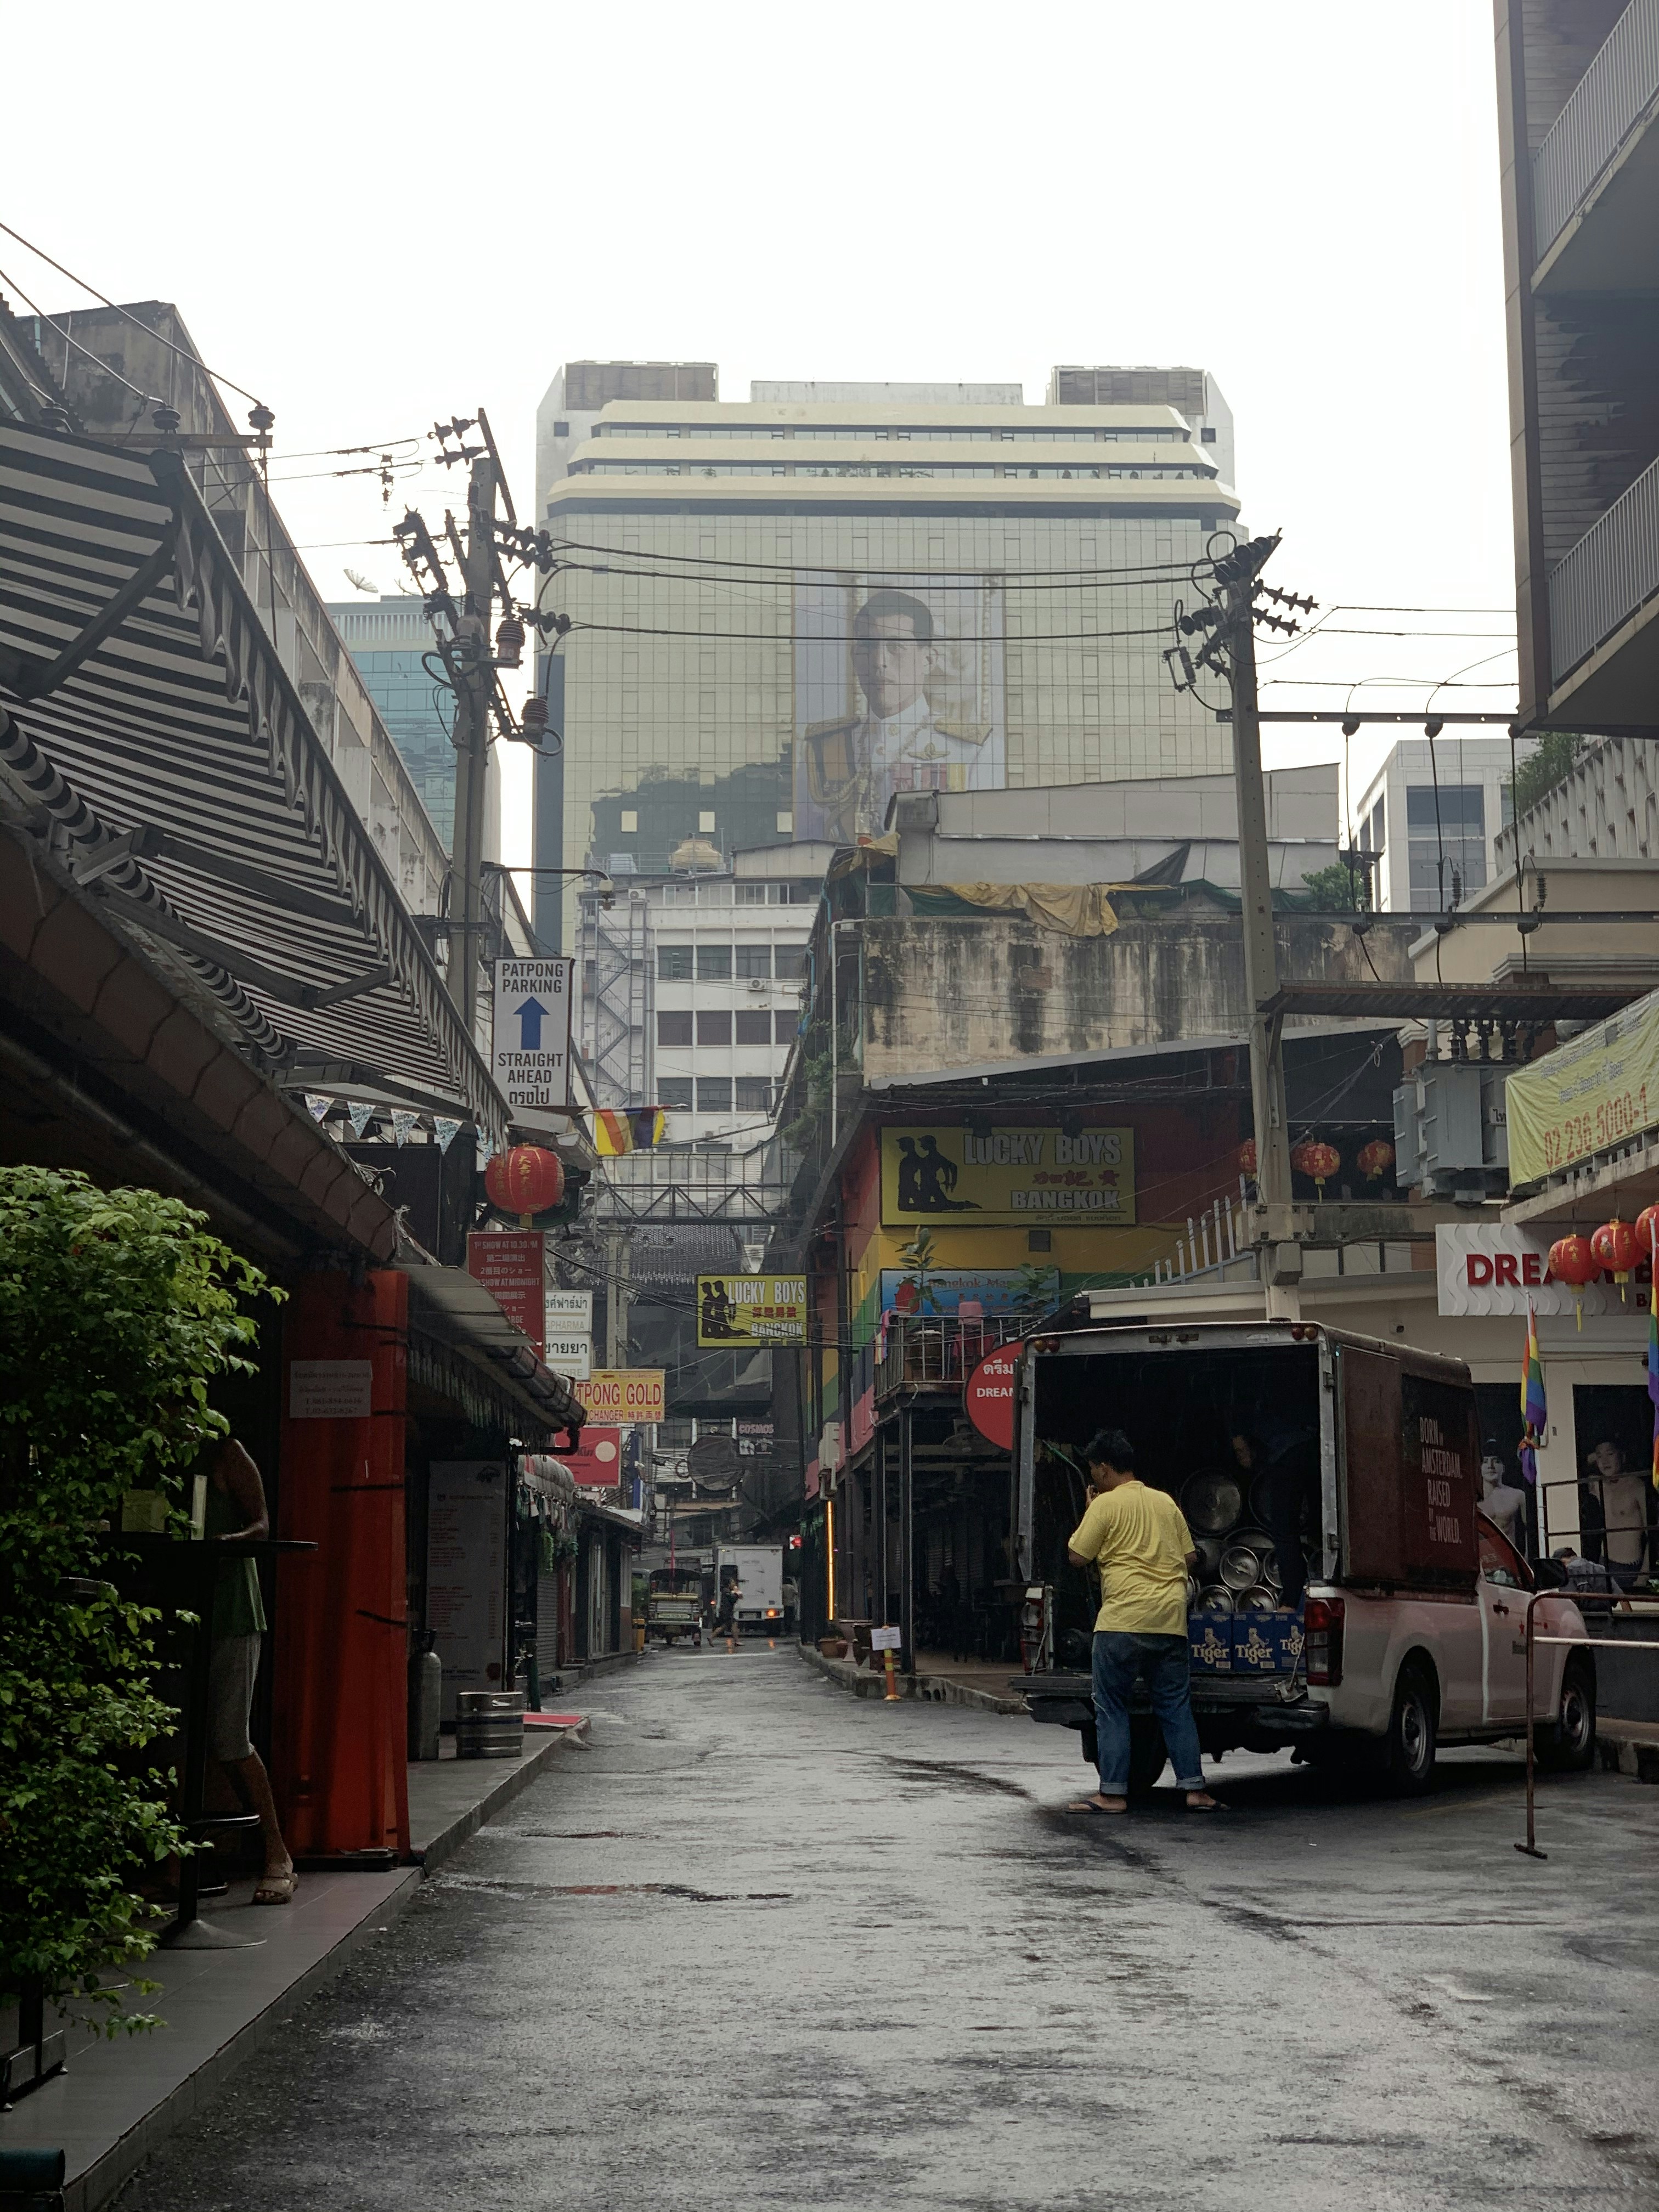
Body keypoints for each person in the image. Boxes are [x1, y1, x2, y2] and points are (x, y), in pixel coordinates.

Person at [1064, 1428, 1219, 1815]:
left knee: (1113, 1707)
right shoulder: (1166, 1503)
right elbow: (1189, 1558)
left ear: (1103, 1469)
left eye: (1092, 1470)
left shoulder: (1104, 1505)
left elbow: (1077, 1556)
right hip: (1169, 1622)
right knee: (1175, 1707)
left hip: (1121, 1622)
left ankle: (1113, 1795)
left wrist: (1090, 1511)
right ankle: (1195, 1790)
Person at [800, 589, 1002, 842]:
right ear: (855, 658)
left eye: (896, 647)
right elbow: (807, 849)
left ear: (928, 660)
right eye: (867, 648)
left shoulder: (973, 750)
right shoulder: (824, 746)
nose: (879, 661)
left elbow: (981, 849)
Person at [204, 1437, 296, 1905]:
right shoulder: (147, 1453)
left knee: (230, 1740)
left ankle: (277, 1853)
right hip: (172, 1609)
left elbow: (261, 1526)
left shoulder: (225, 1451)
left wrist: (225, 1543)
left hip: (232, 1613)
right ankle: (176, 1864)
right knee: (167, 1742)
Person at [1582, 1438, 1650, 1589]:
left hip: (1629, 1567)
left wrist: (1643, 1576)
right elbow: (1574, 1466)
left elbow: (1652, 1534)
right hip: (1602, 1562)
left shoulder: (1637, 1486)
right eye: (1599, 1456)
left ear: (1622, 1456)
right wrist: (1596, 1457)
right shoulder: (1596, 1484)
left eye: (1610, 1454)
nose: (1605, 1461)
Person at [1479, 1438, 1528, 1555]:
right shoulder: (1472, 1497)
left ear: (1504, 1467)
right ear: (1480, 1467)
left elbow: (1529, 1530)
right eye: (1486, 1462)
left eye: (1496, 1461)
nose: (1491, 1466)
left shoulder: (1518, 1496)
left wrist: (1526, 1559)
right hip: (1482, 1560)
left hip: (1508, 1558)